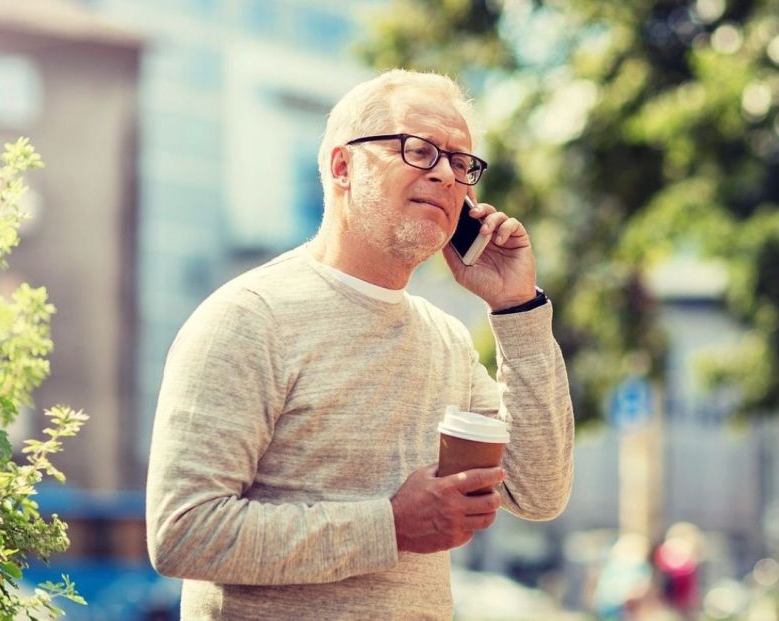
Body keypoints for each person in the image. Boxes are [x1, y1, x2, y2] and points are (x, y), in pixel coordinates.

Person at [146, 69, 575, 620]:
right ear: (342, 166)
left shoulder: (445, 338)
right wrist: (390, 525)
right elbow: (185, 532)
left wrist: (518, 310)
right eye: (419, 150)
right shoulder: (248, 318)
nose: (447, 175)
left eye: (462, 162)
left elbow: (537, 493)